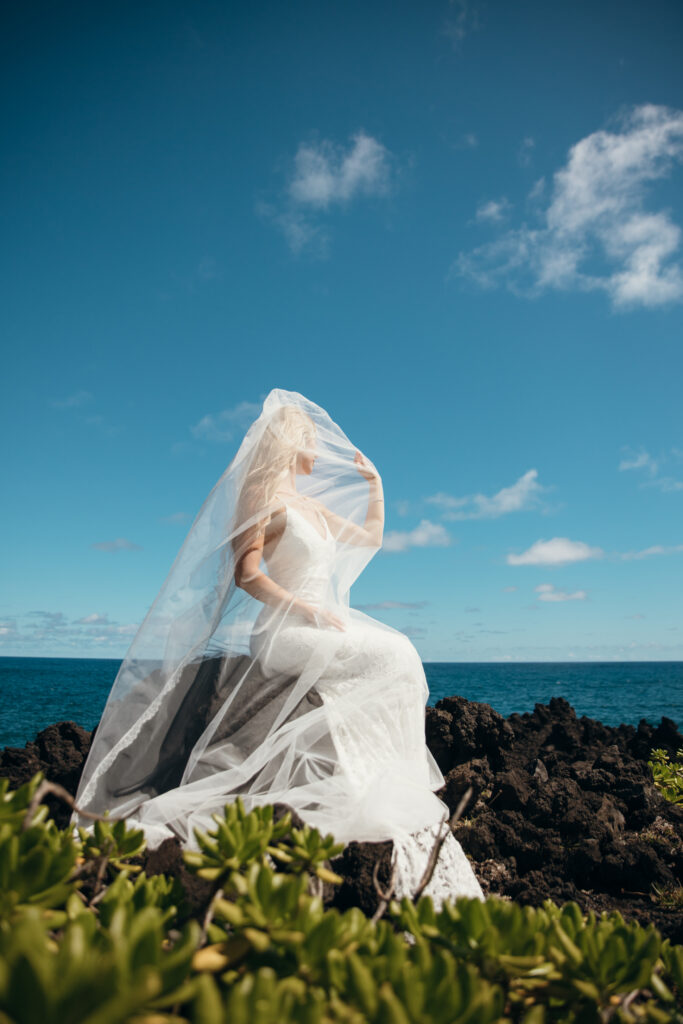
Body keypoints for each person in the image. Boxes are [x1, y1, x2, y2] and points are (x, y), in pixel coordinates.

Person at [71, 389, 483, 907]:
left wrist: (375, 484)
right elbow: (247, 575)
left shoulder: (310, 505)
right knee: (391, 654)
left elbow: (371, 537)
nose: (320, 454)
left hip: (314, 620)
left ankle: (374, 781)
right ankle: (371, 783)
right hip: (284, 628)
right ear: (292, 443)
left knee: (398, 653)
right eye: (313, 443)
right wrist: (301, 609)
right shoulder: (263, 497)